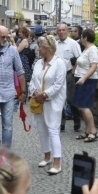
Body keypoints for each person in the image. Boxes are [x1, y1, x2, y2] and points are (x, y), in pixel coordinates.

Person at [29, 36, 67, 175]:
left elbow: (58, 84)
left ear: (47, 49)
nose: (38, 49)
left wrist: (44, 94)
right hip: (39, 101)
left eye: (41, 47)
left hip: (53, 102)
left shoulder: (59, 63)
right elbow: (33, 79)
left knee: (53, 130)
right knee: (41, 129)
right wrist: (34, 91)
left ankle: (57, 163)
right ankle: (47, 156)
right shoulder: (39, 63)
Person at [74, 28, 98, 143]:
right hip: (81, 79)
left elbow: (94, 66)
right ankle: (87, 130)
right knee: (82, 106)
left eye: (81, 37)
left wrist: (84, 78)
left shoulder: (93, 50)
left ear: (85, 38)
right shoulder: (86, 49)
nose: (80, 39)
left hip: (87, 81)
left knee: (85, 106)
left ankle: (93, 131)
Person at [55, 23, 82, 133]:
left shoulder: (73, 44)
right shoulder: (55, 44)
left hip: (69, 73)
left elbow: (79, 59)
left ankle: (77, 119)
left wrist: (74, 71)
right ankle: (61, 122)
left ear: (67, 31)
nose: (61, 32)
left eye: (63, 30)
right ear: (57, 32)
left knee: (71, 99)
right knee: (59, 99)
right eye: (59, 30)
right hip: (57, 75)